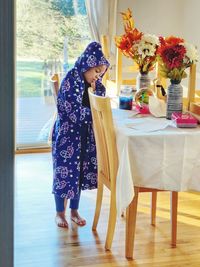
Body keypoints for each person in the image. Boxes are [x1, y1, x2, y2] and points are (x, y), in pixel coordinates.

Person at [51, 41, 110, 228]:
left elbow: (101, 100)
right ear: (86, 65)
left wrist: (96, 86)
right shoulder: (71, 79)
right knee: (64, 173)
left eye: (100, 72)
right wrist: (95, 115)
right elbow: (72, 113)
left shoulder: (92, 81)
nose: (97, 75)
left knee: (79, 173)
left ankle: (74, 210)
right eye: (95, 71)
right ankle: (60, 213)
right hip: (68, 136)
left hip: (84, 135)